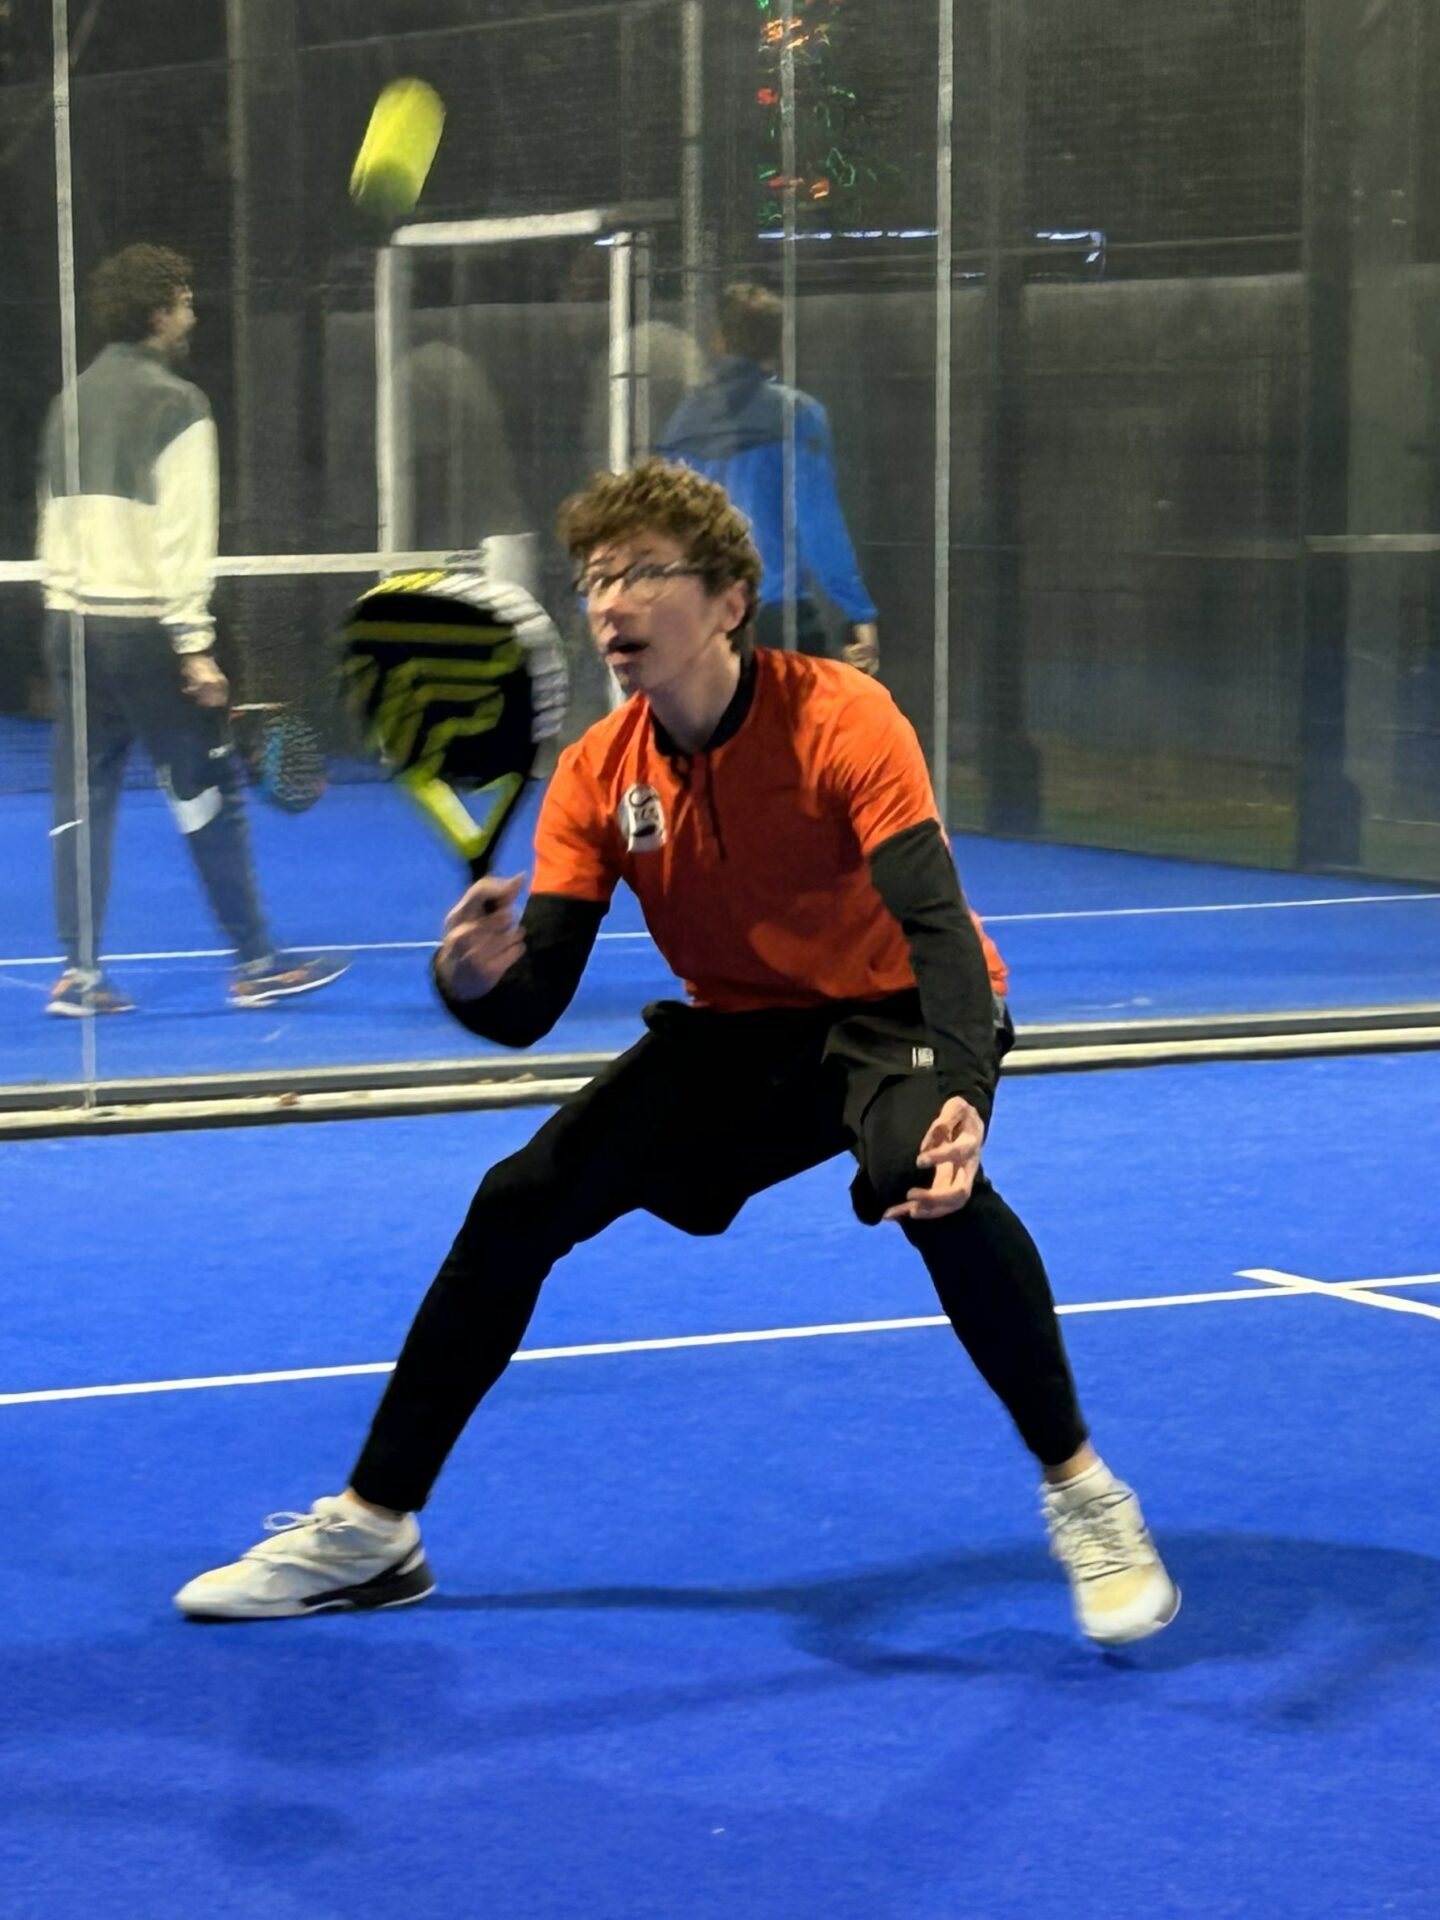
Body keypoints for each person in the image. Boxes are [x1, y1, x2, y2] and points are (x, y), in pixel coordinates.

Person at [175, 458, 1179, 1648]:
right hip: (741, 1028)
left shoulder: (845, 718)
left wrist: (967, 1088)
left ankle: (1085, 1495)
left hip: (895, 1009)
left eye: (644, 573)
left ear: (729, 600)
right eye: (597, 580)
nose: (612, 602)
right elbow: (530, 1006)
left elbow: (934, 921)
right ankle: (373, 1530)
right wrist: (471, 975)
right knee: (517, 1202)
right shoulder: (599, 773)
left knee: (931, 1178)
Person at [37, 243, 347, 1014]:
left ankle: (79, 975)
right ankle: (257, 962)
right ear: (157, 312)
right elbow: (183, 538)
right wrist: (194, 647)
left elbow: (53, 524)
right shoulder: (179, 405)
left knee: (83, 800)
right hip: (144, 631)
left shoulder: (68, 400)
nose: (192, 314)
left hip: (69, 624)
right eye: (182, 300)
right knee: (205, 791)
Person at [659, 282, 880, 675]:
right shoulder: (798, 415)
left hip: (702, 618)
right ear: (777, 344)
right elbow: (817, 522)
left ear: (717, 341)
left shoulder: (681, 422)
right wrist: (856, 610)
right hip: (777, 616)